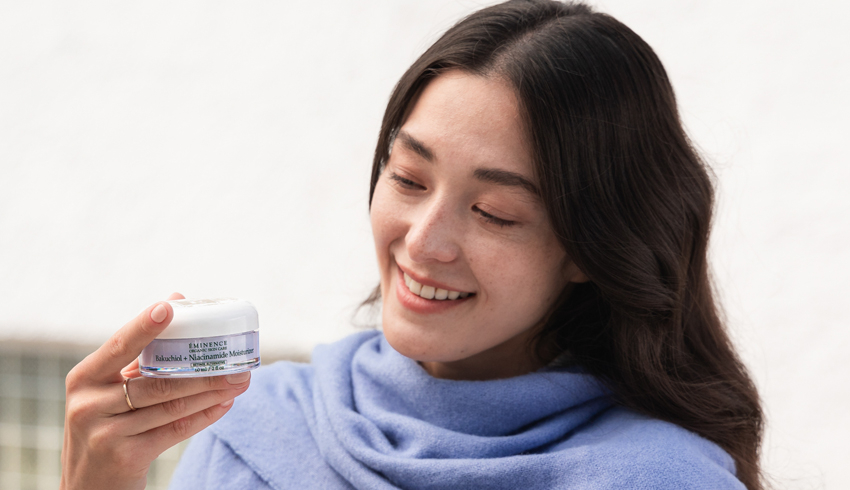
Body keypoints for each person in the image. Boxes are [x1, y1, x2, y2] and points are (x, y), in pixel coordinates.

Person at [60, 1, 765, 489]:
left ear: (589, 246)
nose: (423, 242)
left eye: (492, 212)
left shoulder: (655, 477)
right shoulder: (257, 427)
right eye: (408, 177)